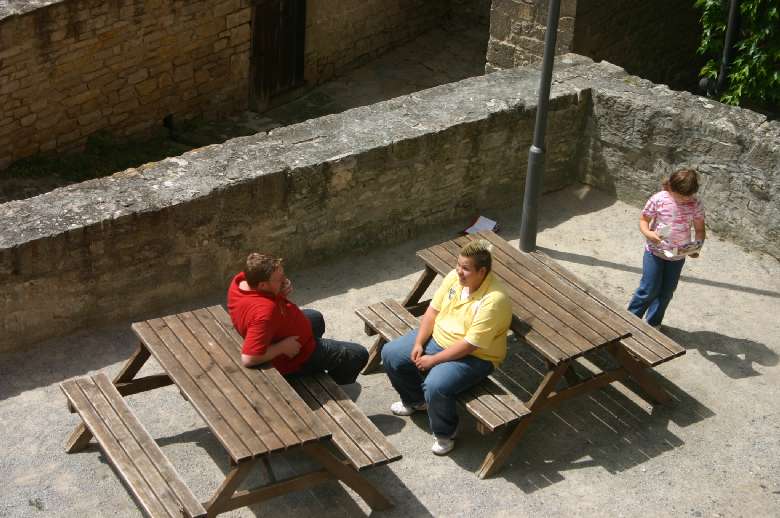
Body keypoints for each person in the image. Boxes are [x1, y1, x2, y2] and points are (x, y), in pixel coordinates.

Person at [381, 240, 512, 455]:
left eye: (465, 268)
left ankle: (445, 433)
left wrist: (433, 360)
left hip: (476, 356)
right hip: (439, 338)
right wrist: (419, 343)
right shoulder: (454, 278)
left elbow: (470, 344)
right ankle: (416, 401)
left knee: (436, 385)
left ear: (482, 271)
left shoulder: (494, 301)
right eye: (458, 265)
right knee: (391, 353)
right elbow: (432, 312)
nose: (459, 271)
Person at [227, 253, 368, 384]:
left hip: (278, 330)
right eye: (279, 279)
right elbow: (249, 358)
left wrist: (279, 293)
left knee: (315, 317)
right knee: (356, 354)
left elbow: (259, 306)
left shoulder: (242, 280)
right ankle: (327, 384)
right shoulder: (264, 313)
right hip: (291, 357)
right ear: (262, 285)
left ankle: (316, 363)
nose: (284, 280)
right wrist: (282, 347)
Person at [627, 169, 706, 329]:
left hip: (677, 256)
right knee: (648, 289)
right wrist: (649, 233)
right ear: (670, 187)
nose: (684, 200)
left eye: (687, 196)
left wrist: (696, 246)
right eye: (680, 196)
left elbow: (699, 230)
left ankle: (653, 323)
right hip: (654, 252)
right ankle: (629, 320)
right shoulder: (659, 199)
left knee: (667, 292)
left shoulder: (695, 204)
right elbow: (643, 220)